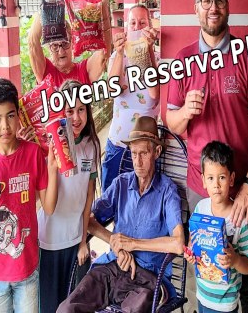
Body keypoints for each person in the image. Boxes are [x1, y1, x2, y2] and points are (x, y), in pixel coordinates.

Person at [166, 0, 248, 312]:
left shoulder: (246, 56)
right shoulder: (182, 61)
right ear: (196, 8)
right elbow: (171, 122)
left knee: (247, 275)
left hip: (240, 190)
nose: (213, 7)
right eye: (206, 1)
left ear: (229, 6)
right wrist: (185, 112)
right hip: (200, 189)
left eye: (220, 0)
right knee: (207, 270)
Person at [57, 116, 184, 313]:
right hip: (112, 267)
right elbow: (88, 220)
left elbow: (178, 243)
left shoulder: (167, 191)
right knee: (67, 309)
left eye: (144, 153)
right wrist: (115, 243)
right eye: (133, 153)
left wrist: (133, 244)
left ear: (157, 152)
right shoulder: (121, 184)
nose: (138, 161)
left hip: (147, 279)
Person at [0, 78, 58, 313]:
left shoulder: (33, 154)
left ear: (19, 116)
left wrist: (52, 170)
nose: (5, 126)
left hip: (27, 269)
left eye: (11, 116)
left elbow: (49, 207)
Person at [37, 80, 100, 313]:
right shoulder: (50, 146)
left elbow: (88, 198)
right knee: (48, 306)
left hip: (75, 242)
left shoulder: (91, 145)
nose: (76, 117)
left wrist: (83, 240)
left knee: (71, 305)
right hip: (49, 241)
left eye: (81, 109)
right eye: (69, 110)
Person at [185, 141, 248, 313]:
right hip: (202, 296)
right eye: (210, 178)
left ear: (231, 179)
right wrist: (190, 253)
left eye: (222, 177)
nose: (216, 185)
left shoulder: (240, 219)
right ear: (203, 181)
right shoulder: (200, 209)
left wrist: (236, 260)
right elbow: (191, 243)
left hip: (226, 304)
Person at [103, 4, 160, 190]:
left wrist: (148, 50)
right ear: (126, 28)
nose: (137, 27)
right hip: (118, 143)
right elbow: (113, 90)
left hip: (145, 150)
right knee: (109, 204)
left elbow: (154, 94)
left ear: (149, 26)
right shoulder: (116, 57)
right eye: (132, 23)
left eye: (142, 22)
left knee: (141, 205)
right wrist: (120, 53)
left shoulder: (159, 57)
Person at [28, 0, 112, 87]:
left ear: (73, 42)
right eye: (55, 46)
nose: (61, 50)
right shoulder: (46, 73)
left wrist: (103, 4)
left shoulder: (84, 70)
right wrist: (49, 4)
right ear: (49, 48)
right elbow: (32, 42)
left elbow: (104, 52)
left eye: (65, 43)